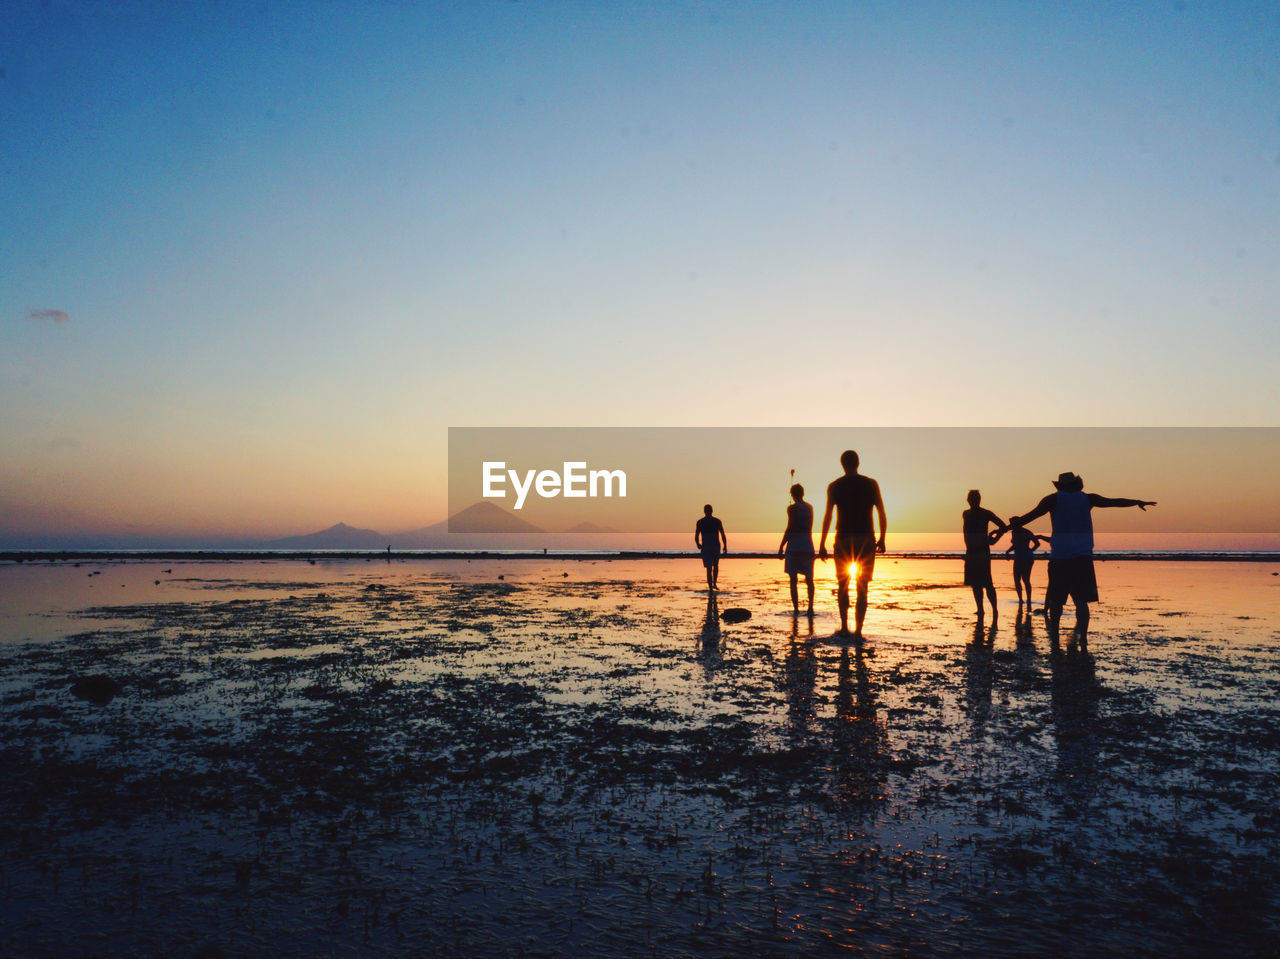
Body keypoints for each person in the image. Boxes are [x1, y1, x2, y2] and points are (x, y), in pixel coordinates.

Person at [1012, 472, 1155, 647]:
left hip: (1060, 557)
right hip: (1082, 557)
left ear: (1060, 486)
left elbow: (1029, 517)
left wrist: (1007, 526)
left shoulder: (1052, 499)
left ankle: (1055, 638)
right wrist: (1136, 502)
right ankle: (1084, 639)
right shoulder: (1088, 499)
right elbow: (1114, 502)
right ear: (1077, 484)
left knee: (1056, 601)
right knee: (1081, 602)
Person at [818, 450, 887, 639]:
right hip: (865, 538)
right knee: (862, 585)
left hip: (843, 539)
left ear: (842, 464)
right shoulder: (871, 484)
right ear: (858, 463)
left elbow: (828, 516)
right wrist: (882, 537)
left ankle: (844, 626)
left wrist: (822, 543)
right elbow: (881, 511)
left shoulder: (835, 486)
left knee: (843, 584)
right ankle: (858, 630)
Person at [962, 490, 1005, 620]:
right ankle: (980, 609)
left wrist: (994, 539)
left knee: (987, 583)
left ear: (979, 499)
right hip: (971, 552)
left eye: (976, 498)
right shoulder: (966, 514)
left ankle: (994, 610)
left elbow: (1003, 526)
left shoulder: (986, 513)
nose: (973, 500)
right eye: (971, 498)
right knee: (975, 584)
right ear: (968, 500)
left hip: (982, 551)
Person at [993, 515, 1048, 608]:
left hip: (1023, 558)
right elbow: (1032, 544)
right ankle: (1023, 600)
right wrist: (1008, 551)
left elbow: (1034, 543)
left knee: (1021, 579)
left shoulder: (1019, 532)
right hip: (1025, 557)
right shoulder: (1023, 532)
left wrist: (1029, 551)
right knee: (1023, 579)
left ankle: (1024, 600)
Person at [778, 483, 816, 616]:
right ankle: (810, 607)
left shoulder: (792, 508)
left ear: (792, 494)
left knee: (793, 580)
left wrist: (781, 545)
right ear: (803, 493)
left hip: (794, 547)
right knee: (809, 579)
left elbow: (790, 527)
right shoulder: (810, 507)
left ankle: (796, 609)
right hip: (808, 547)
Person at [694, 504, 727, 591]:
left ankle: (712, 585)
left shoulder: (703, 522)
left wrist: (697, 543)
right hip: (711, 546)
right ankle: (713, 585)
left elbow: (696, 535)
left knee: (710, 567)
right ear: (711, 511)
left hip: (710, 546)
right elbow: (723, 534)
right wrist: (725, 546)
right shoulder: (714, 521)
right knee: (713, 566)